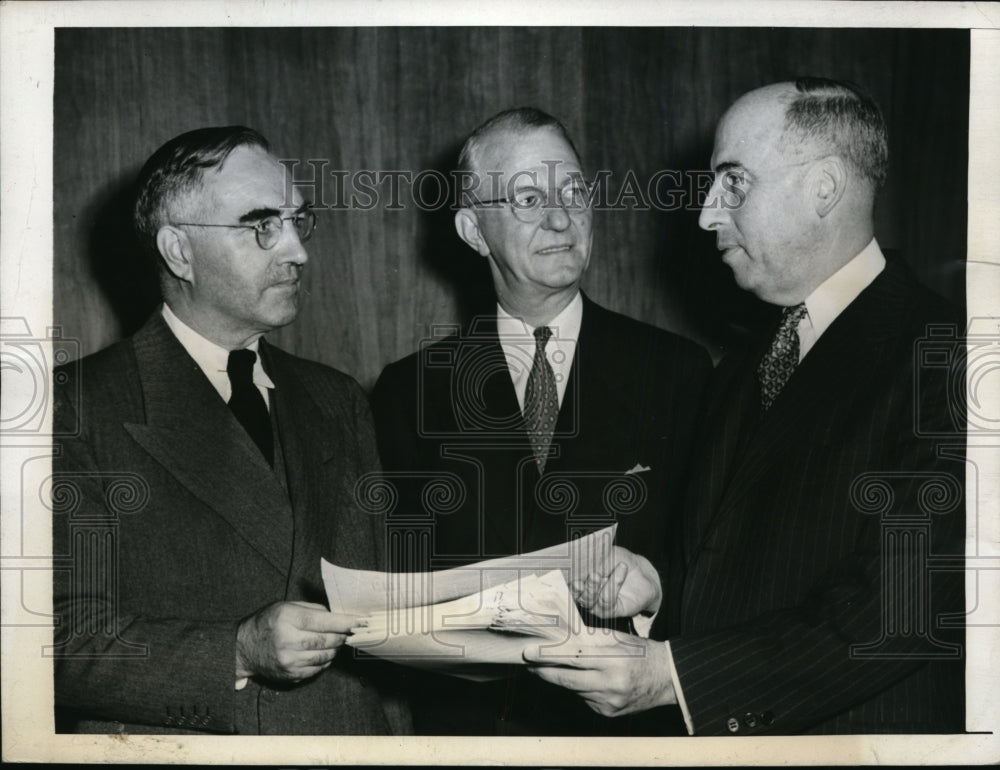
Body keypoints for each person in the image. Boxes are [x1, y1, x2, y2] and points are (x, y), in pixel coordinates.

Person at [526, 78, 966, 735]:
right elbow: (759, 561)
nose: (704, 214)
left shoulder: (952, 355)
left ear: (824, 187)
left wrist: (672, 676)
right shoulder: (739, 367)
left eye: (733, 182)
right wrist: (656, 587)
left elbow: (900, 610)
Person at [52, 126, 410, 735]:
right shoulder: (71, 407)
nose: (296, 250)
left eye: (299, 221)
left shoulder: (338, 398)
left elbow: (383, 631)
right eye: (262, 225)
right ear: (179, 252)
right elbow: (48, 639)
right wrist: (236, 650)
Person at [371, 107, 711, 735]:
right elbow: (395, 576)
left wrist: (657, 590)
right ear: (474, 230)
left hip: (627, 736)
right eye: (528, 197)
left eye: (574, 191)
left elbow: (722, 558)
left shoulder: (679, 372)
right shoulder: (407, 392)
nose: (561, 217)